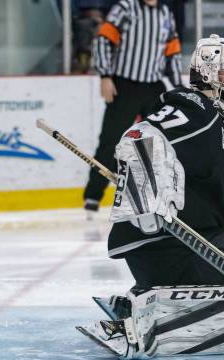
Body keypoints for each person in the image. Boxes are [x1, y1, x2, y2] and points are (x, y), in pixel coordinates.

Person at [77, 34, 224, 359]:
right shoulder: (198, 111)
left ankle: (144, 299)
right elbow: (137, 136)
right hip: (165, 245)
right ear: (209, 73)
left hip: (184, 246)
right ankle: (142, 323)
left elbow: (210, 181)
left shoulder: (219, 116)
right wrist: (147, 198)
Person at [84, 0, 183, 216]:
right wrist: (105, 75)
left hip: (153, 86)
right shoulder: (126, 7)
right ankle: (93, 195)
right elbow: (103, 39)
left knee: (162, 143)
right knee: (110, 141)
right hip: (124, 85)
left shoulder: (165, 13)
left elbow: (172, 52)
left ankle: (163, 195)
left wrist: (178, 88)